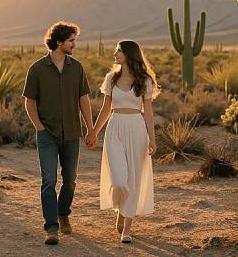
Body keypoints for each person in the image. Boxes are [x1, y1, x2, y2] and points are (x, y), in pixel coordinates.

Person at [23, 21, 95, 246]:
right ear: (59, 42)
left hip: (72, 133)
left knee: (70, 180)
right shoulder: (37, 69)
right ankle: (51, 227)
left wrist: (90, 129)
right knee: (49, 180)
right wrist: (40, 128)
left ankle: (63, 213)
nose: (75, 44)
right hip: (47, 134)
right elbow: (29, 101)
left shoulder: (77, 68)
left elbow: (84, 100)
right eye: (72, 40)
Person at [87, 40, 159, 243]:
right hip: (115, 128)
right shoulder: (111, 78)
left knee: (133, 178)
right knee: (119, 180)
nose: (114, 54)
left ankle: (126, 228)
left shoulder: (144, 80)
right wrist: (93, 131)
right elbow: (106, 109)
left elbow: (149, 113)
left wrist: (152, 140)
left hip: (136, 129)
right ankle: (120, 208)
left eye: (118, 51)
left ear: (129, 54)